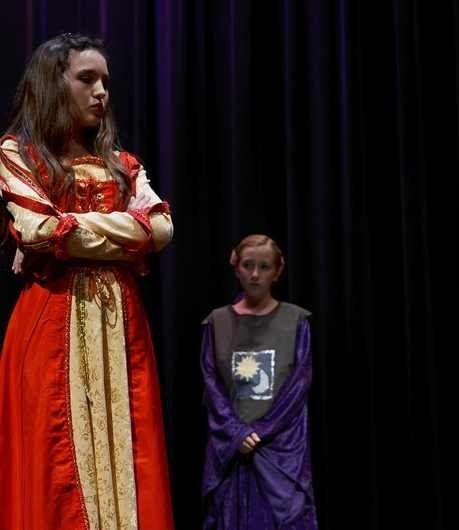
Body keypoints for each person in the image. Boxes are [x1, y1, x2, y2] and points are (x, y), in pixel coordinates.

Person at [0, 33, 174, 529]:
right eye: (86, 79)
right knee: (56, 456)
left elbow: (161, 227)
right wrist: (127, 229)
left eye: (105, 82)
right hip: (51, 321)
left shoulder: (121, 163)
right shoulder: (19, 153)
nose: (102, 92)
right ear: (53, 85)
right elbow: (37, 229)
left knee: (129, 443)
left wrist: (72, 227)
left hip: (121, 321)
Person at [201, 234, 317, 529]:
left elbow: (298, 385)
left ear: (278, 271)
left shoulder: (296, 321)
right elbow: (212, 384)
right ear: (235, 266)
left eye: (264, 267)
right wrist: (236, 431)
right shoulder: (217, 323)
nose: (255, 274)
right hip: (232, 449)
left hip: (280, 449)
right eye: (248, 265)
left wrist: (261, 431)